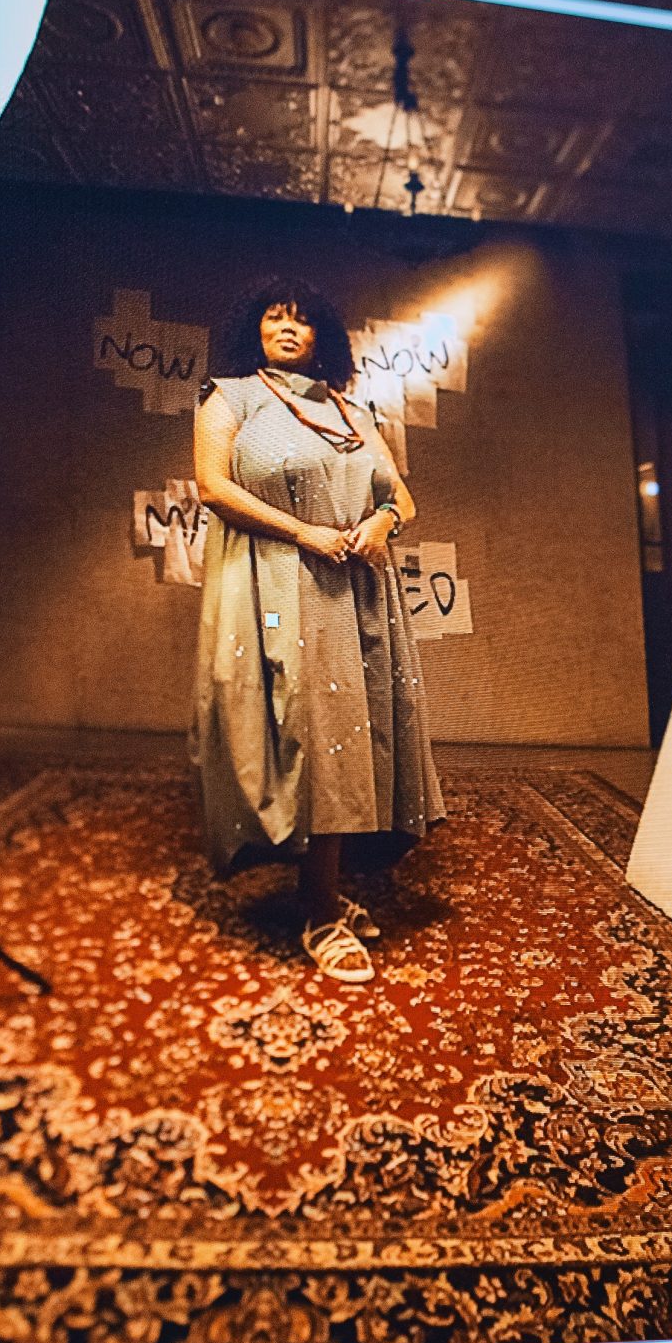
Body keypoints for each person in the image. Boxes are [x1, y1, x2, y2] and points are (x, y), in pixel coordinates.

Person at [191, 279, 445, 983]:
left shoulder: (350, 410)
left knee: (351, 731)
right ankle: (320, 907)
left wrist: (381, 523)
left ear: (321, 337)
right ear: (255, 328)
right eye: (274, 316)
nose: (287, 327)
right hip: (273, 591)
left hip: (355, 587)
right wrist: (305, 532)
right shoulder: (229, 397)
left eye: (301, 320)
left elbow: (401, 496)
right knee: (304, 728)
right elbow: (213, 487)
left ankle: (324, 890)